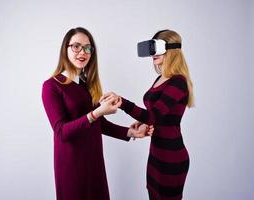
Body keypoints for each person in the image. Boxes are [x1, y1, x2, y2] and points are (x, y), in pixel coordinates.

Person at [41, 27, 153, 200]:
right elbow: (61, 132)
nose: (82, 52)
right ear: (65, 49)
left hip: (93, 161)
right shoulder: (51, 86)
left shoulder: (85, 84)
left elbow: (99, 123)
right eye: (76, 46)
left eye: (87, 48)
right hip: (71, 164)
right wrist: (97, 112)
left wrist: (131, 132)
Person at [101, 29, 194, 200]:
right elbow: (157, 116)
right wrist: (142, 123)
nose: (152, 54)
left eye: (156, 48)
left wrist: (123, 103)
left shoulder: (178, 82)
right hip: (156, 154)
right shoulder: (161, 78)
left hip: (171, 157)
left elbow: (153, 116)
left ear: (170, 50)